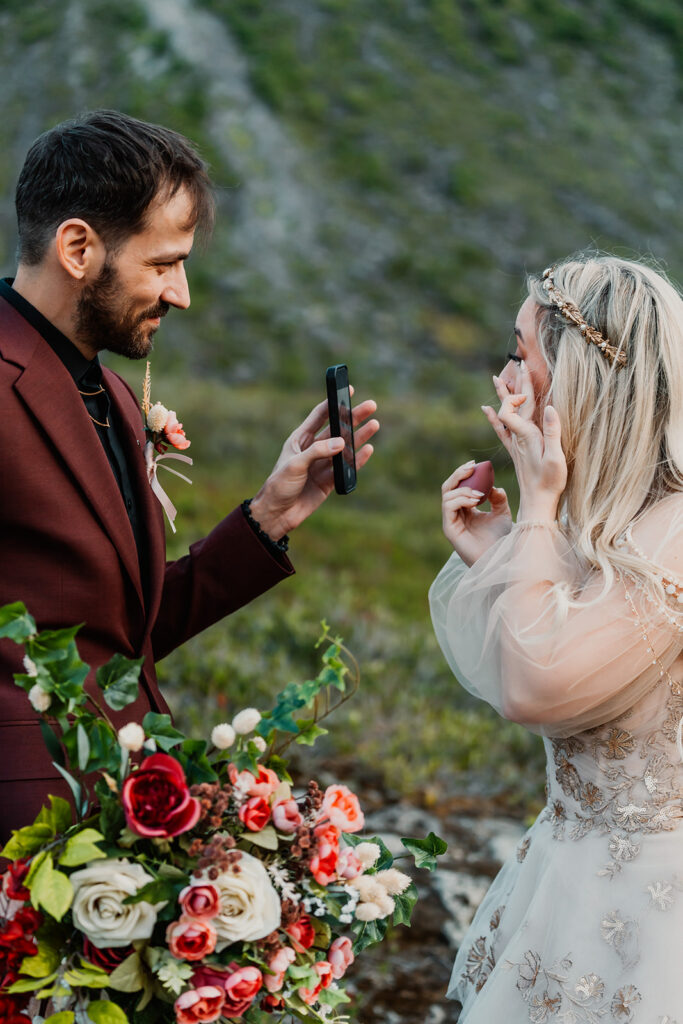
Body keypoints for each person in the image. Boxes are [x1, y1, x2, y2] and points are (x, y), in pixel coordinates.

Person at [0, 110, 379, 841]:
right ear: (77, 247)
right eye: (164, 263)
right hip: (23, 844)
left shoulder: (107, 391)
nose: (181, 295)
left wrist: (270, 517)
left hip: (114, 828)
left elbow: (115, 637)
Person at [430, 254, 683, 1021]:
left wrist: (537, 511)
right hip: (564, 874)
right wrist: (511, 545)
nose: (504, 376)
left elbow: (533, 687)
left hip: (649, 907)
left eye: (519, 351)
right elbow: (574, 636)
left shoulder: (676, 527)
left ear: (576, 374)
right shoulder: (620, 519)